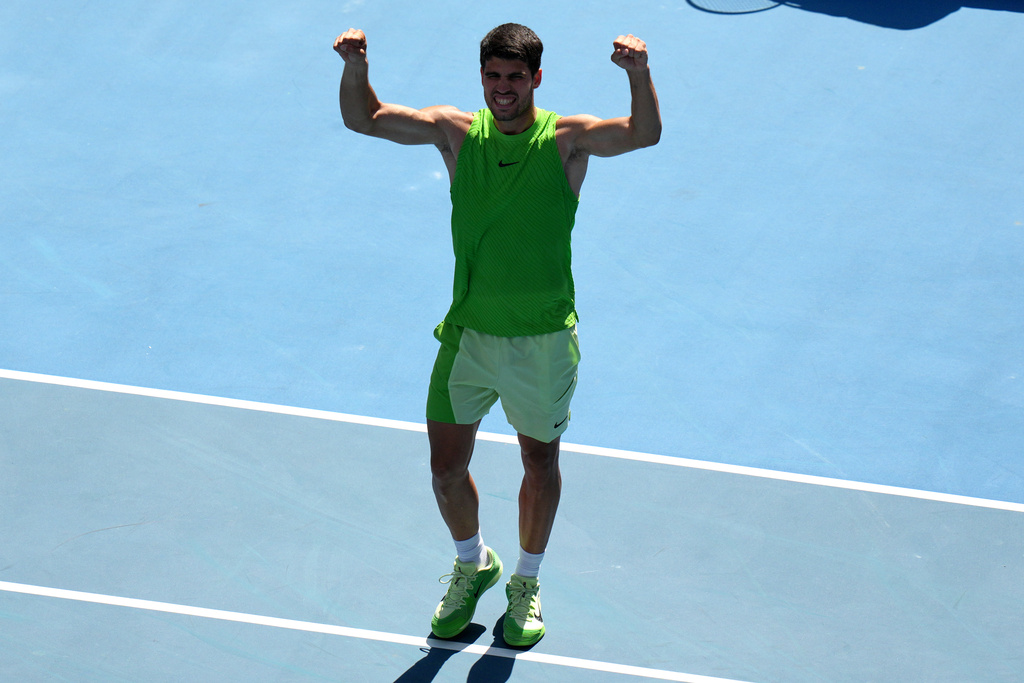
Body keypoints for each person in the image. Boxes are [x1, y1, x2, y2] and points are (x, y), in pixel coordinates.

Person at [333, 23, 661, 647]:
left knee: (538, 462)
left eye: (515, 78)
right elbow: (366, 118)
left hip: (541, 341)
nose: (503, 89)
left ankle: (527, 582)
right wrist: (355, 65)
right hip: (469, 338)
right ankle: (473, 562)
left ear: (536, 79)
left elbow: (642, 134)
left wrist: (638, 76)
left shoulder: (567, 141)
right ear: (481, 78)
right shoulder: (456, 135)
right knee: (445, 470)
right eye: (493, 77)